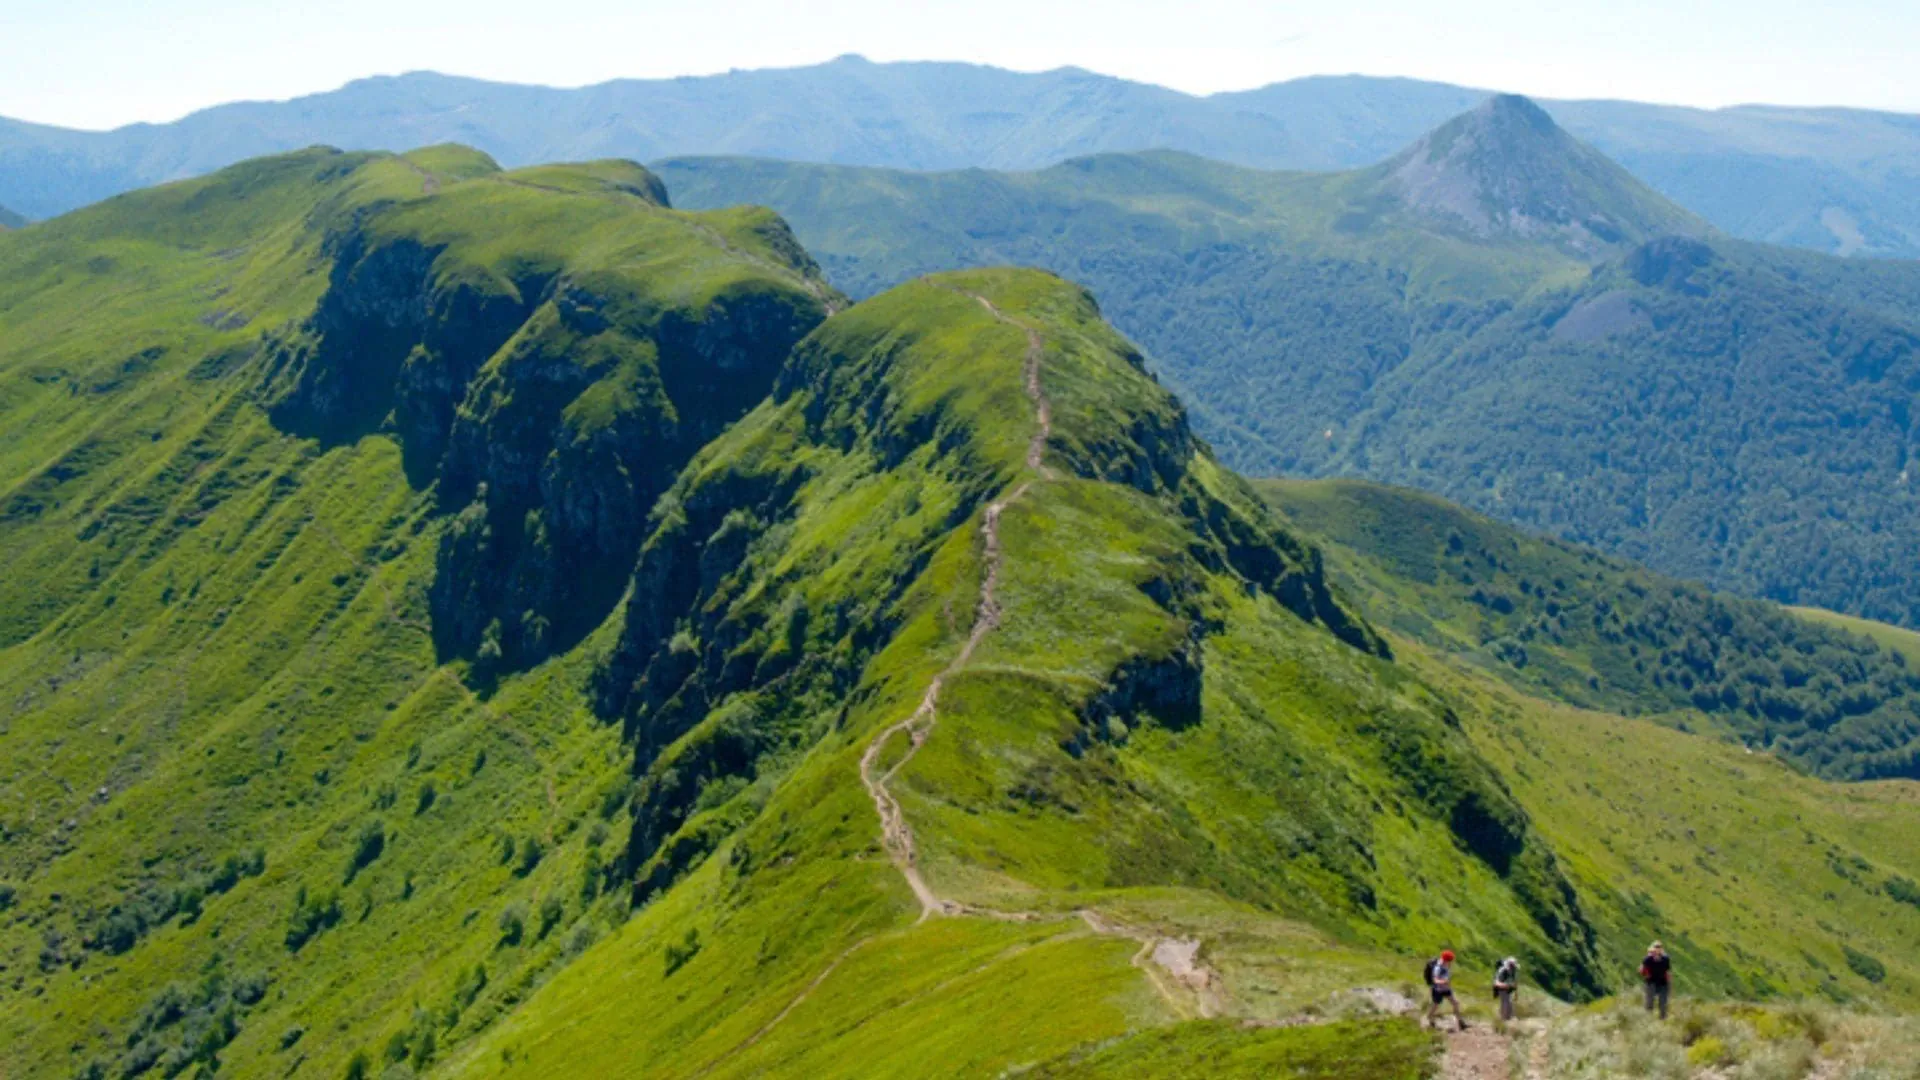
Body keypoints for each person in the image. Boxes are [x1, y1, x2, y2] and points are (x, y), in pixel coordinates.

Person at [1423, 949, 1468, 1031]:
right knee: (1435, 1006)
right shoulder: (1438, 968)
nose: (1452, 962)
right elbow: (1435, 980)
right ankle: (1429, 1018)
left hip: (1446, 989)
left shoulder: (1446, 964)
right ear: (1446, 960)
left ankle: (1461, 1023)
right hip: (1437, 990)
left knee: (1455, 1003)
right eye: (1451, 960)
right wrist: (1444, 981)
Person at [1640, 941, 1673, 1019]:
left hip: (1663, 983)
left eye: (1659, 947)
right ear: (1653, 948)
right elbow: (1641, 970)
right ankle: (1648, 1019)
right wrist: (1646, 974)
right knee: (1649, 1003)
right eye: (1656, 947)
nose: (1658, 949)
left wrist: (1670, 985)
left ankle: (1663, 1020)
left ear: (1661, 949)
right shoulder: (1648, 959)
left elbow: (1667, 972)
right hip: (1651, 982)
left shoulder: (1665, 959)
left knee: (1663, 1004)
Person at [1493, 956, 1520, 1021]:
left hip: (1508, 989)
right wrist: (1506, 985)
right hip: (1501, 988)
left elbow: (1515, 982)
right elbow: (1496, 983)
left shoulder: (1513, 971)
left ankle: (1508, 1018)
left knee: (1509, 1003)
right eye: (1512, 966)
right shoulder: (1502, 971)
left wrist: (1516, 993)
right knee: (1506, 1002)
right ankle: (1504, 1019)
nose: (1513, 967)